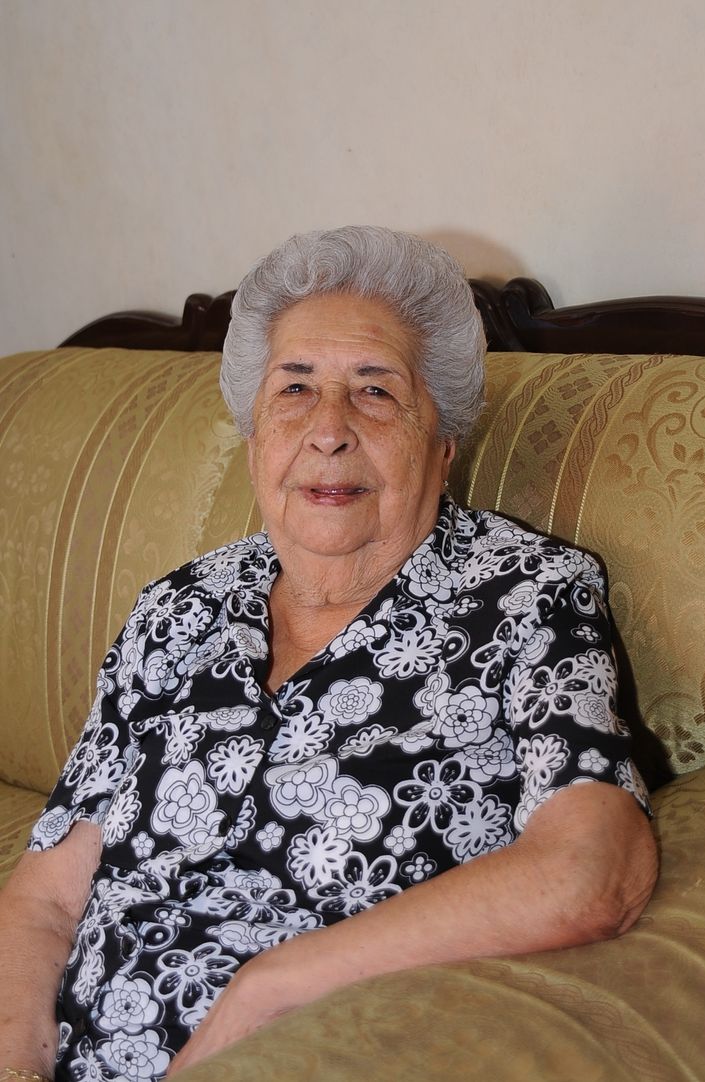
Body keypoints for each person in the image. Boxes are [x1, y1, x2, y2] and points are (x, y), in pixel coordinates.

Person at [0, 227, 658, 1082]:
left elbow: (595, 869)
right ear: (254, 438)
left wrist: (273, 986)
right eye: (295, 388)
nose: (329, 431)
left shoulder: (528, 595)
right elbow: (48, 899)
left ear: (443, 442)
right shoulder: (177, 609)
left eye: (376, 391)